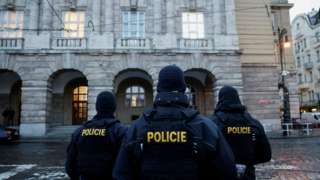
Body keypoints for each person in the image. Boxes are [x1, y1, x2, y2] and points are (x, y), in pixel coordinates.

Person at [113, 65, 237, 180]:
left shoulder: (137, 127)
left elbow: (121, 174)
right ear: (183, 88)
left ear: (159, 89)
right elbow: (228, 171)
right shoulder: (206, 126)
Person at [210, 86, 272, 180]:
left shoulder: (212, 122)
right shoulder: (253, 122)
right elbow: (266, 155)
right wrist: (247, 161)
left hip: (220, 174)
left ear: (220, 99)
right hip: (247, 174)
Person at [66, 91, 127, 180]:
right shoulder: (121, 131)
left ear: (96, 107)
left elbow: (70, 165)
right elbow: (127, 164)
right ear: (114, 107)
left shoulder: (79, 132)